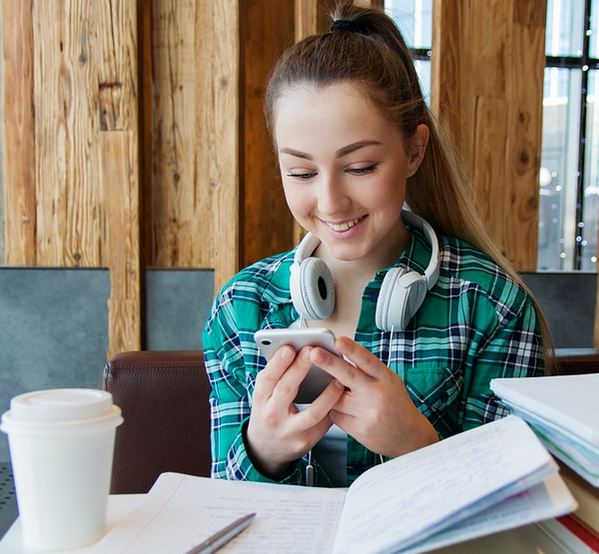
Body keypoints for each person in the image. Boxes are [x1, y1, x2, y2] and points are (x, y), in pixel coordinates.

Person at [202, 1, 554, 487]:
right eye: (301, 172)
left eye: (360, 167)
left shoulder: (492, 306)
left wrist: (416, 443)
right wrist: (264, 450)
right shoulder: (240, 307)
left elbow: (515, 505)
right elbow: (224, 505)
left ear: (414, 151)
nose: (331, 201)